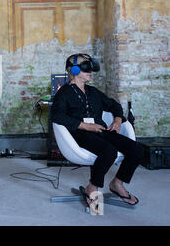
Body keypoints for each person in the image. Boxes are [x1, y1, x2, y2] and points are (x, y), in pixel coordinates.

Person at [51, 54, 144, 212]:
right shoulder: (64, 93)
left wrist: (118, 120)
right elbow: (57, 116)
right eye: (86, 67)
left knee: (137, 149)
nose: (90, 71)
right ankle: (92, 188)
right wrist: (86, 126)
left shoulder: (93, 92)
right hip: (80, 135)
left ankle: (117, 183)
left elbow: (114, 105)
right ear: (72, 70)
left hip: (101, 131)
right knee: (109, 151)